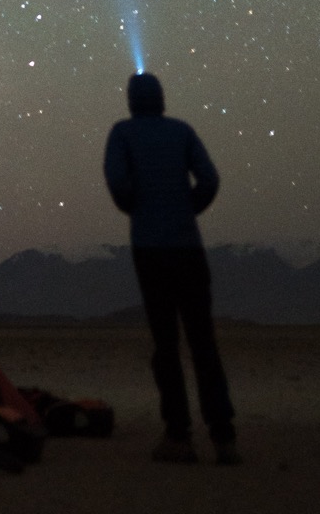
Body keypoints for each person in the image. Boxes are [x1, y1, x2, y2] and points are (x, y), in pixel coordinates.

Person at [103, 72, 237, 465]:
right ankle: (224, 436)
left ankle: (178, 436)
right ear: (161, 98)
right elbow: (209, 179)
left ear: (131, 99)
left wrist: (141, 210)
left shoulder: (122, 133)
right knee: (203, 343)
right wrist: (185, 209)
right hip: (187, 248)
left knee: (166, 346)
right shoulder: (181, 132)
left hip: (150, 250)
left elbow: (118, 184)